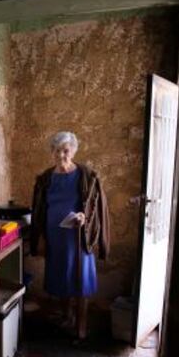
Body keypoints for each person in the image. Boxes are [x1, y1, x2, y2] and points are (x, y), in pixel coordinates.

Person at [30, 131, 110, 340]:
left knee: (80, 277)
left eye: (65, 151)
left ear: (73, 151)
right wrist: (39, 236)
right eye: (57, 151)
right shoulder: (46, 178)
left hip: (78, 236)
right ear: (52, 152)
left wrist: (85, 217)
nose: (61, 155)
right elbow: (40, 208)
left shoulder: (86, 175)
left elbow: (94, 206)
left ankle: (81, 325)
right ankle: (67, 315)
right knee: (62, 276)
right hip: (55, 235)